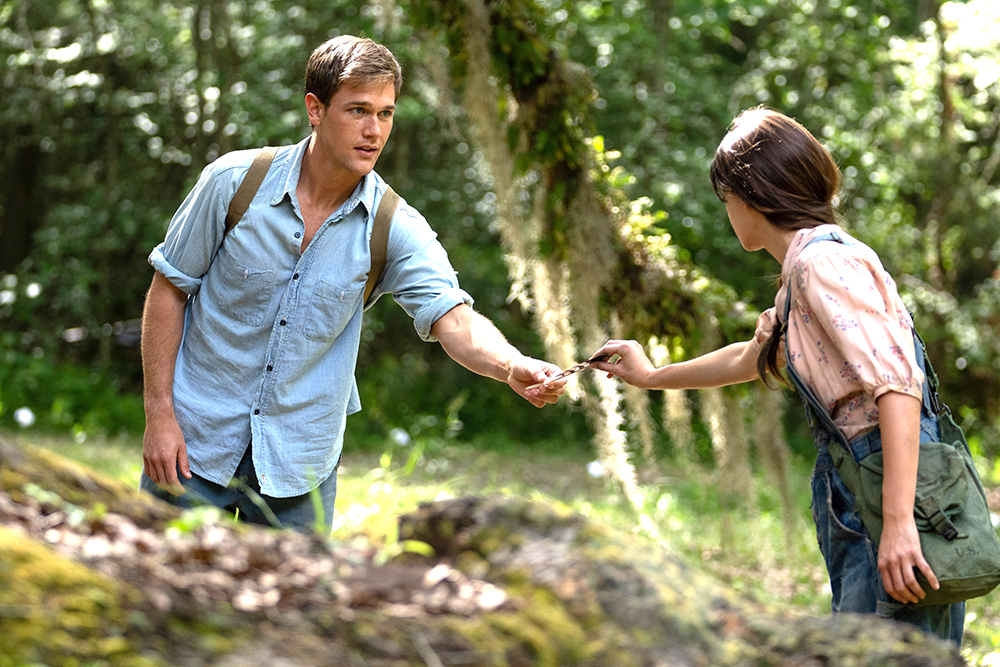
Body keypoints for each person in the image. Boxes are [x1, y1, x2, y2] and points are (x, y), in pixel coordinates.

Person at [140, 35, 564, 534]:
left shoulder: (393, 226)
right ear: (315, 109)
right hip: (193, 442)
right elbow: (169, 289)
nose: (374, 130)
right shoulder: (233, 183)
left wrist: (510, 364)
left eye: (386, 113)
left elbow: (454, 318)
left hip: (299, 464)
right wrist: (160, 415)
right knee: (164, 595)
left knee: (297, 609)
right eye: (358, 110)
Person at [587, 107, 964, 644]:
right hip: (868, 487)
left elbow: (898, 384)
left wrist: (900, 522)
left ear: (753, 195)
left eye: (727, 198)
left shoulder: (821, 266)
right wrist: (651, 376)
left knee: (883, 652)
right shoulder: (807, 271)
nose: (728, 211)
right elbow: (754, 356)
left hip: (885, 487)